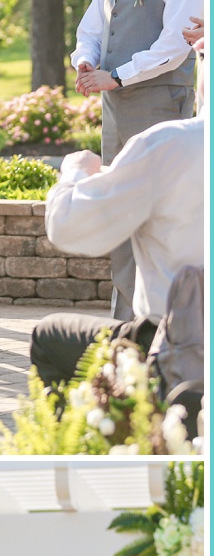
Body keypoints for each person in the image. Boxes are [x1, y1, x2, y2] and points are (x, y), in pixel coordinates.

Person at [70, 0, 203, 319]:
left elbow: (174, 46)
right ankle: (124, 324)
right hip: (117, 114)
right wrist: (86, 62)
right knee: (121, 214)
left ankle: (159, 325)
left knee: (154, 216)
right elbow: (90, 30)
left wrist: (119, 77)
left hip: (158, 109)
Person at [29, 113, 205, 391]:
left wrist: (75, 171)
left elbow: (68, 226)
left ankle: (116, 430)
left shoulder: (168, 144)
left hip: (174, 348)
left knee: (49, 335)